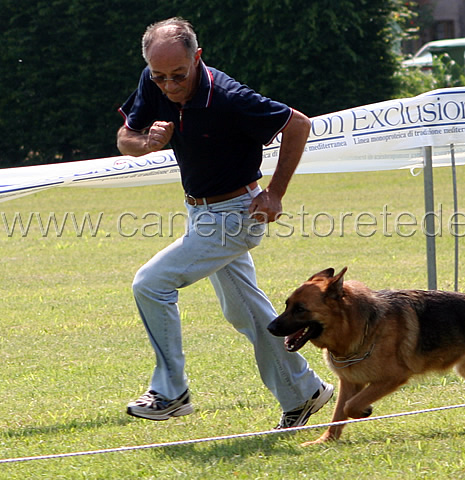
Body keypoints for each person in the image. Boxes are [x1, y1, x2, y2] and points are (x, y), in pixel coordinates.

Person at [116, 17, 332, 428]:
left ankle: (170, 391)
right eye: (159, 77)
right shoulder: (153, 78)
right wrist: (145, 144)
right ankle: (305, 393)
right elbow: (125, 136)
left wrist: (276, 193)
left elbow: (298, 124)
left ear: (197, 58)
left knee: (151, 283)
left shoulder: (230, 97)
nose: (168, 85)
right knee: (247, 314)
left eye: (178, 75)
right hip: (200, 213)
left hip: (236, 215)